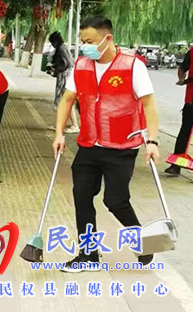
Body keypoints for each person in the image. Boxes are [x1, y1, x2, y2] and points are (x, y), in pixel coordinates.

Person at [53, 16, 159, 273]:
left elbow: (148, 104)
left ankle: (142, 242)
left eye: (89, 41)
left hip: (122, 146)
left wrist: (153, 141)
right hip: (89, 144)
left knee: (115, 200)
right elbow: (67, 100)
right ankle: (87, 255)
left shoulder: (132, 66)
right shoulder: (81, 65)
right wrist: (59, 134)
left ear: (107, 39)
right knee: (81, 196)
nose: (85, 46)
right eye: (82, 42)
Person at [168, 45, 193, 175]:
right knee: (184, 132)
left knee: (185, 132)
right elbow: (182, 68)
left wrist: (182, 80)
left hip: (191, 101)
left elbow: (182, 68)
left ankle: (175, 166)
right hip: (191, 101)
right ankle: (176, 164)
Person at [48, 32, 79, 134]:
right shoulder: (62, 48)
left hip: (66, 77)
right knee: (64, 100)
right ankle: (60, 124)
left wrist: (56, 70)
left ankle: (74, 125)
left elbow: (66, 63)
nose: (52, 45)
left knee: (66, 100)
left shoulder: (61, 49)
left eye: (52, 42)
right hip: (64, 76)